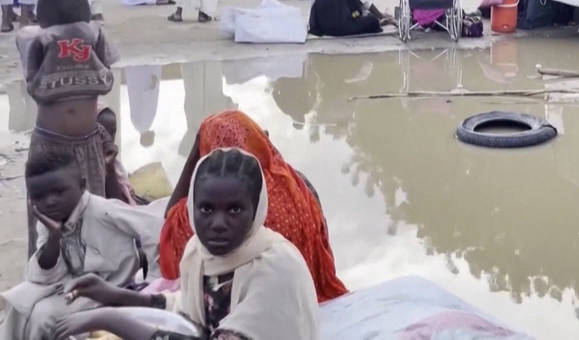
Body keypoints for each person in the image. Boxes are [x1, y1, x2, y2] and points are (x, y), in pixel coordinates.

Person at [50, 148, 322, 340]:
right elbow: (189, 308)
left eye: (235, 210)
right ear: (192, 207)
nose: (217, 223)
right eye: (206, 209)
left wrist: (108, 318)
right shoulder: (198, 254)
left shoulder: (276, 267)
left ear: (257, 211)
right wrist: (115, 296)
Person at [159, 110, 347, 303]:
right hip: (309, 293)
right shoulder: (296, 183)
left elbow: (170, 224)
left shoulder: (216, 198)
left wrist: (194, 155)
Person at [16, 0, 137, 253]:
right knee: (45, 211)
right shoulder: (38, 43)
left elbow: (107, 65)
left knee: (93, 206)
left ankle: (95, 266)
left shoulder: (94, 40)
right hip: (49, 145)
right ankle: (42, 268)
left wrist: (85, 32)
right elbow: (26, 39)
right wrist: (61, 33)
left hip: (88, 142)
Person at [0, 148, 163, 339]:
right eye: (39, 197)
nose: (50, 202)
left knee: (43, 315)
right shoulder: (47, 221)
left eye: (59, 192)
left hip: (109, 286)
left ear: (82, 185)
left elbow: (154, 229)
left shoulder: (102, 210)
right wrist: (54, 236)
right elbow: (43, 277)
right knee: (17, 302)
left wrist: (151, 282)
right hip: (66, 284)